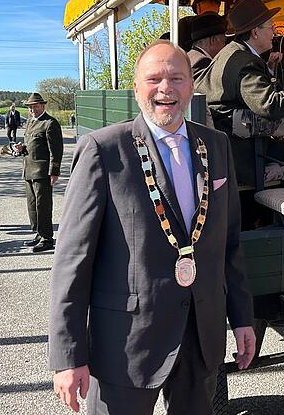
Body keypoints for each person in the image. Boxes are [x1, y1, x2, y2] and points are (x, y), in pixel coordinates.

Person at [50, 41, 255, 415]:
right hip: (127, 342)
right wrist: (68, 355)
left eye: (177, 78)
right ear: (136, 88)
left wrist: (242, 319)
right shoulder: (103, 149)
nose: (166, 88)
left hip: (200, 335)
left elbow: (229, 244)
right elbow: (72, 261)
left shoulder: (217, 144)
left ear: (192, 86)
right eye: (154, 78)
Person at [194, 0, 284, 187]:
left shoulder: (231, 54)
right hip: (240, 152)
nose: (274, 32)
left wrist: (268, 70)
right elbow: (270, 105)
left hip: (224, 146)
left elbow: (245, 91)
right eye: (270, 27)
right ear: (255, 32)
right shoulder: (244, 61)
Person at [16, 92, 63, 252]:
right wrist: (21, 148)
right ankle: (38, 233)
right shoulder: (30, 122)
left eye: (36, 106)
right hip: (28, 170)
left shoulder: (50, 123)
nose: (33, 109)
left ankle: (47, 238)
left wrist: (54, 171)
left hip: (42, 172)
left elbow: (56, 150)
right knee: (32, 205)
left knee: (43, 206)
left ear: (42, 106)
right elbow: (31, 145)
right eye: (30, 107)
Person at [188, 11, 227, 77]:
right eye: (224, 41)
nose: (225, 46)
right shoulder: (203, 63)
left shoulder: (188, 57)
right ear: (212, 40)